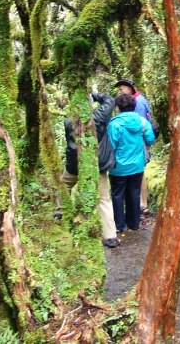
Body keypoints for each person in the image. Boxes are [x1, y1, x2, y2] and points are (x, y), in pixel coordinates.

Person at [59, 92, 121, 248]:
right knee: (104, 199)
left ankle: (59, 212)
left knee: (62, 186)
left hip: (75, 164)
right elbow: (110, 100)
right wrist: (95, 95)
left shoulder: (68, 122)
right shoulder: (99, 117)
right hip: (96, 164)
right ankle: (110, 236)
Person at [107, 92, 155, 234]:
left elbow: (111, 146)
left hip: (118, 167)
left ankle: (120, 225)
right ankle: (134, 223)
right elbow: (151, 139)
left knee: (117, 195)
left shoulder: (114, 124)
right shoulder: (142, 122)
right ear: (134, 106)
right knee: (134, 193)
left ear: (118, 108)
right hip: (137, 165)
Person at [115, 79, 157, 212]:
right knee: (138, 172)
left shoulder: (137, 102)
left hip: (137, 143)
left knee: (138, 173)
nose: (119, 92)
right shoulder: (139, 99)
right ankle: (140, 204)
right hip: (140, 142)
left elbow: (138, 125)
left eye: (121, 89)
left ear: (129, 89)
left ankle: (141, 204)